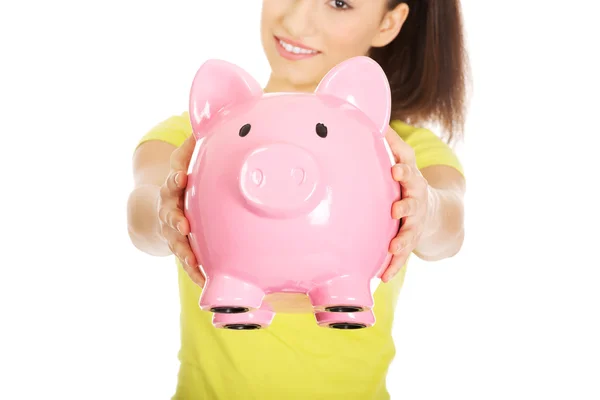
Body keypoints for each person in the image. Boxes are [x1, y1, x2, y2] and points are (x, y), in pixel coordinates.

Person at [127, 0, 468, 398]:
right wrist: (164, 211)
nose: (295, 19)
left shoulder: (402, 149)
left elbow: (451, 228)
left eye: (339, 2)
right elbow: (141, 214)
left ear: (388, 22)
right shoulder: (195, 136)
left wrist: (424, 211)